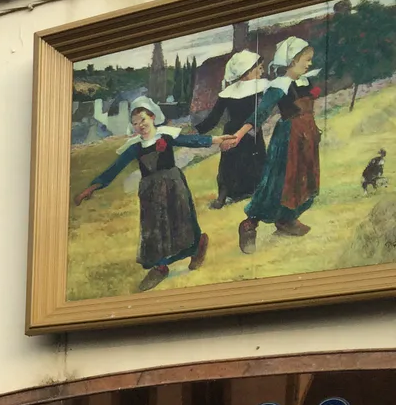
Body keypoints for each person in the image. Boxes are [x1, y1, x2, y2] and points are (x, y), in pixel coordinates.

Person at [75, 96, 220, 292]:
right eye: (135, 123)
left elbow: (192, 140)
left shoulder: (166, 136)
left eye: (143, 119)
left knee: (181, 219)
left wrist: (217, 140)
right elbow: (115, 168)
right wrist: (92, 187)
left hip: (173, 184)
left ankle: (197, 246)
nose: (140, 125)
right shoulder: (134, 147)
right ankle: (160, 267)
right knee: (153, 229)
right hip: (149, 192)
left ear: (152, 117)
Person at [240, 37, 321, 253]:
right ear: (293, 60)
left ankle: (286, 220)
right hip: (288, 138)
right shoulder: (279, 86)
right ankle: (249, 224)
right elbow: (261, 113)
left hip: (307, 136)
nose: (309, 64)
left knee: (302, 181)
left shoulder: (305, 82)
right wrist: (239, 134)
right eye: (306, 59)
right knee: (278, 183)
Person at [193, 49, 268, 209]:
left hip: (251, 131)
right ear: (247, 70)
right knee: (228, 165)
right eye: (259, 68)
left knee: (255, 161)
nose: (262, 71)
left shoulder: (260, 87)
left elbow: (260, 112)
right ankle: (223, 196)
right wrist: (197, 131)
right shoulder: (228, 92)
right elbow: (214, 117)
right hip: (233, 131)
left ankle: (253, 191)